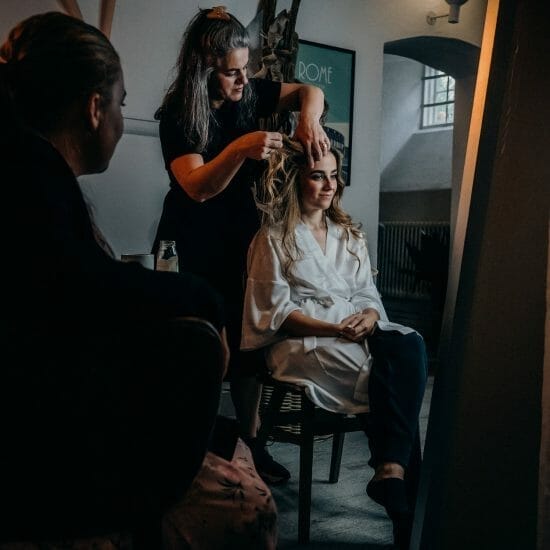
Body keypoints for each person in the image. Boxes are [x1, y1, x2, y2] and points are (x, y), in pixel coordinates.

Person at [0, 11, 230, 548]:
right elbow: (85, 286)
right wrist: (204, 300)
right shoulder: (31, 177)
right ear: (94, 107)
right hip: (39, 452)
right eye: (122, 103)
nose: (124, 121)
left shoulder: (29, 169)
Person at [153, 6, 331, 484]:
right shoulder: (179, 113)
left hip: (245, 239)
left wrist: (309, 121)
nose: (243, 79)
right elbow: (197, 187)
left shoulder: (250, 90)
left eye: (246, 68)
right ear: (204, 66)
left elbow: (309, 91)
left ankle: (250, 445)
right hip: (193, 240)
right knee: (209, 344)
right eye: (232, 72)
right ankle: (201, 447)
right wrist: (239, 148)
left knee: (250, 343)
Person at [241, 137, 428, 550]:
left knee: (410, 344)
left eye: (334, 176)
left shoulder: (348, 233)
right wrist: (334, 330)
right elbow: (273, 314)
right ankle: (400, 498)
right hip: (303, 341)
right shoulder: (273, 237)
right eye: (317, 176)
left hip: (353, 329)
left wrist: (370, 317)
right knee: (391, 382)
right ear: (296, 181)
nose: (330, 185)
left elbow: (366, 294)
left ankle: (391, 470)